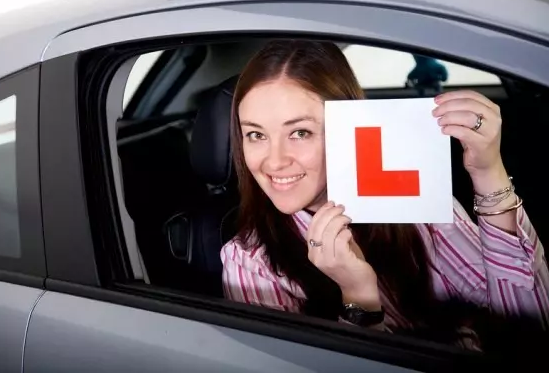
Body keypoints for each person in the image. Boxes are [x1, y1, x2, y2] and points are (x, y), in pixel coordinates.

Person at [220, 40, 549, 350]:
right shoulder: (250, 262)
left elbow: (529, 326)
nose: (274, 160)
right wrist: (358, 299)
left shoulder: (416, 205)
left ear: (350, 125)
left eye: (300, 132)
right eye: (256, 134)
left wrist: (487, 171)